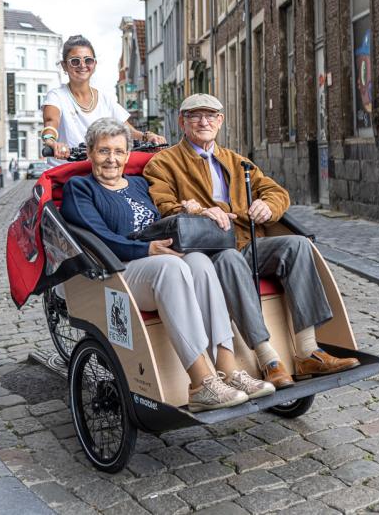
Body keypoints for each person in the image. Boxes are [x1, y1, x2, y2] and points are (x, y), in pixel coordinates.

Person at [144, 93, 360, 388]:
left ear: (220, 121)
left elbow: (277, 193)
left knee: (297, 245)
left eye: (210, 115)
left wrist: (268, 206)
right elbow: (163, 206)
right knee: (230, 258)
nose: (203, 121)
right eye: (195, 115)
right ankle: (268, 359)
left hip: (246, 243)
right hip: (208, 252)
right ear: (182, 122)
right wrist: (195, 210)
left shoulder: (238, 161)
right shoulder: (163, 163)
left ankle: (308, 351)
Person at [61, 117, 274, 411]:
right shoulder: (80, 188)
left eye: (119, 151)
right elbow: (98, 237)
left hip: (158, 261)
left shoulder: (139, 184)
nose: (112, 159)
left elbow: (164, 215)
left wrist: (190, 209)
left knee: (200, 262)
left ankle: (229, 369)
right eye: (103, 151)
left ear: (128, 155)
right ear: (89, 153)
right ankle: (201, 384)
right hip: (118, 269)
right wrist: (147, 249)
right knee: (171, 268)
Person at [41, 35, 165, 165]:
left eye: (88, 60)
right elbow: (50, 122)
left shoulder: (105, 99)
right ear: (64, 66)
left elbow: (126, 129)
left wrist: (147, 136)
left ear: (94, 64)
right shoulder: (56, 96)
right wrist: (51, 142)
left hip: (98, 168)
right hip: (65, 170)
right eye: (75, 61)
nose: (82, 65)